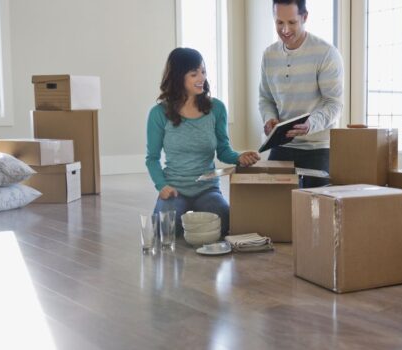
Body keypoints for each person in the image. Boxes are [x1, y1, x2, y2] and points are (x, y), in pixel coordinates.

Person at [146, 47, 260, 237]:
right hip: (175, 188)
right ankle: (190, 224)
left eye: (203, 72)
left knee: (226, 223)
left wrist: (240, 157)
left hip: (207, 189)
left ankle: (195, 225)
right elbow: (152, 158)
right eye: (194, 74)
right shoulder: (159, 113)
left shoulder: (216, 108)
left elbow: (224, 150)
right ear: (177, 77)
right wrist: (162, 186)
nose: (202, 78)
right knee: (163, 231)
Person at [260, 0, 344, 188]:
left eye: (292, 22)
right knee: (269, 200)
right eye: (279, 22)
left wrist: (310, 124)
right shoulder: (269, 55)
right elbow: (265, 98)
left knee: (317, 205)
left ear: (304, 17)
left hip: (317, 147)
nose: (285, 30)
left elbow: (334, 104)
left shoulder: (326, 53)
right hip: (282, 145)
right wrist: (269, 118)